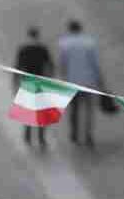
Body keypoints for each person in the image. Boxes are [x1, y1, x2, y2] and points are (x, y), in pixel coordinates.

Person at [58, 20, 102, 148]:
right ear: (80, 29)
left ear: (69, 29)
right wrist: (100, 80)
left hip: (72, 81)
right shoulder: (89, 43)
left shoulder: (64, 44)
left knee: (74, 109)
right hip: (88, 81)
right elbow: (94, 64)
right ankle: (88, 134)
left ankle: (74, 134)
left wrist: (62, 78)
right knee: (89, 110)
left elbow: (63, 64)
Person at [14, 27, 54, 148]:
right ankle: (41, 137)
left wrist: (15, 81)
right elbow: (50, 65)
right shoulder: (43, 49)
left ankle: (27, 136)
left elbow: (18, 66)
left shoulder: (23, 49)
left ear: (28, 35)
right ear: (37, 35)